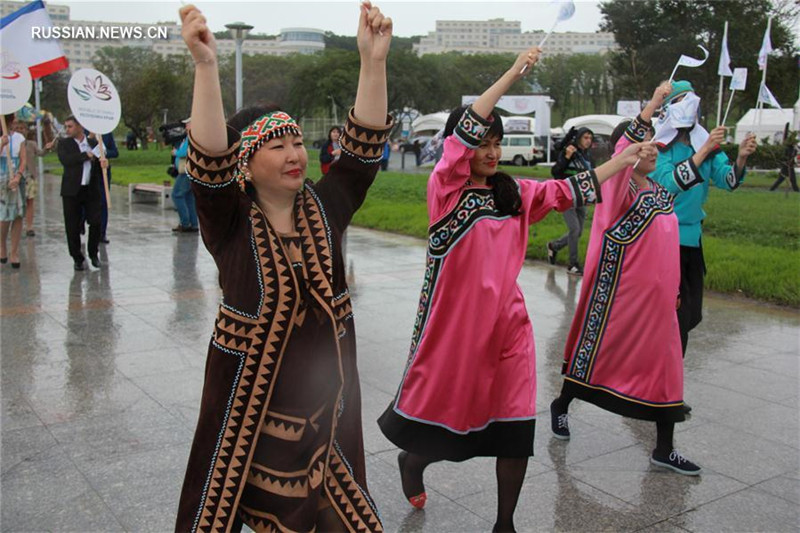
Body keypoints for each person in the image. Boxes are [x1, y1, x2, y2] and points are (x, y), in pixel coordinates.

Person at [377, 47, 654, 532]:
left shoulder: (516, 194)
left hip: (510, 329)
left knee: (514, 429)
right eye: (482, 141)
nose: (490, 150)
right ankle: (413, 461)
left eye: (496, 142)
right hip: (456, 332)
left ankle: (505, 523)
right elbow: (462, 139)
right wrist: (512, 73)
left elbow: (573, 188)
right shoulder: (445, 190)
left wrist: (624, 160)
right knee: (449, 423)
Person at [174, 3, 392, 531]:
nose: (295, 153)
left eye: (297, 142)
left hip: (327, 416)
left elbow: (362, 152)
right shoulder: (229, 222)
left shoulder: (325, 205)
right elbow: (207, 165)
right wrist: (206, 67)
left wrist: (373, 61)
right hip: (250, 421)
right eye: (278, 145)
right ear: (245, 164)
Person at [551, 81, 706, 476]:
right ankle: (561, 405)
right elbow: (624, 152)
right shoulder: (617, 190)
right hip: (616, 301)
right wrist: (654, 104)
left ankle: (664, 448)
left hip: (659, 305)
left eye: (655, 142)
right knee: (593, 358)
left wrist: (673, 292)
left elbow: (669, 242)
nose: (651, 147)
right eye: (643, 143)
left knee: (668, 365)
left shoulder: (657, 191)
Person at [650, 81, 756, 413]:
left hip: (692, 241)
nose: (690, 105)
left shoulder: (706, 146)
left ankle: (661, 380)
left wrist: (739, 158)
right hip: (664, 241)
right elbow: (669, 185)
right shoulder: (661, 147)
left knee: (690, 315)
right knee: (676, 319)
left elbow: (728, 181)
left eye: (692, 100)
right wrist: (702, 151)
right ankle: (667, 392)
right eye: (682, 100)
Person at [57, 116, 108, 271]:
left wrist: (104, 163)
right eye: (66, 126)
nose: (67, 129)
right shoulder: (64, 144)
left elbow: (101, 164)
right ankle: (77, 257)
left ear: (80, 126)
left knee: (96, 221)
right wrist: (87, 155)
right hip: (72, 191)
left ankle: (93, 253)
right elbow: (67, 160)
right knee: (72, 225)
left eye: (70, 126)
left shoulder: (94, 143)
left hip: (90, 190)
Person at [547, 126, 595, 275]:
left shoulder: (587, 156)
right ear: (579, 138)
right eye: (585, 137)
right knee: (574, 229)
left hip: (582, 197)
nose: (588, 141)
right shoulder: (569, 152)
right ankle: (573, 264)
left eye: (590, 138)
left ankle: (554, 246)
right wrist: (567, 157)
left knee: (578, 232)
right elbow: (556, 172)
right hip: (567, 196)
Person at [18, 121, 55, 237]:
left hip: (30, 176)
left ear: (26, 131)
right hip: (17, 177)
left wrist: (47, 148)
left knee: (30, 202)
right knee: (17, 203)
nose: (20, 130)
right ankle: (16, 226)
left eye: (22, 128)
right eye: (18, 128)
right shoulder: (11, 143)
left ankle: (29, 226)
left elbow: (40, 153)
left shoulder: (31, 144)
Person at [0, 114, 28, 268]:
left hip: (17, 176)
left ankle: (15, 251)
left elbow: (23, 159)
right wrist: (2, 145)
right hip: (1, 175)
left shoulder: (19, 138)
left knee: (18, 213)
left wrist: (18, 175)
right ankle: (2, 245)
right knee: (4, 215)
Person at [171, 119, 199, 233]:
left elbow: (184, 152)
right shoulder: (192, 136)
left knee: (177, 195)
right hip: (191, 171)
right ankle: (193, 224)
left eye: (188, 123)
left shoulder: (191, 137)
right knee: (189, 198)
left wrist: (175, 153)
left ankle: (185, 223)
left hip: (186, 171)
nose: (186, 125)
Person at [98, 132, 118, 243]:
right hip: (88, 172)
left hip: (103, 172)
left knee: (103, 201)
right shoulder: (85, 131)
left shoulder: (107, 133)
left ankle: (102, 233)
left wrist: (104, 152)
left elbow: (115, 152)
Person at [769, 124, 798, 192]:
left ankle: (796, 191)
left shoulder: (793, 148)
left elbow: (794, 155)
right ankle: (771, 190)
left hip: (790, 166)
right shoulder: (786, 147)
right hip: (786, 166)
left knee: (791, 180)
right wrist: (787, 127)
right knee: (782, 179)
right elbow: (785, 136)